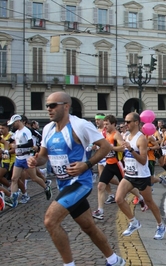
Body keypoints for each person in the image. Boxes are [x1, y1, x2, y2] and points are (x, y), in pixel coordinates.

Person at [27, 91, 125, 266]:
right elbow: (43, 157)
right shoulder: (48, 129)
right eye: (47, 105)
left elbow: (105, 146)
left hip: (80, 183)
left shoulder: (80, 125)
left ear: (66, 106)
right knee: (88, 227)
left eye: (52, 105)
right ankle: (114, 260)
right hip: (64, 184)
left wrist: (86, 164)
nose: (48, 109)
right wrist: (35, 161)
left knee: (50, 221)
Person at [116, 112, 166, 240]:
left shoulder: (141, 139)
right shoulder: (127, 136)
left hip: (142, 176)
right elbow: (124, 150)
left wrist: (131, 150)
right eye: (125, 121)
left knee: (149, 201)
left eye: (128, 122)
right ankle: (133, 222)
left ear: (136, 122)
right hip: (129, 174)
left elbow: (143, 161)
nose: (125, 124)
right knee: (118, 199)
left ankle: (160, 226)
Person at [7, 114, 52, 208]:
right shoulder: (17, 132)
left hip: (27, 157)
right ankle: (13, 198)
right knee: (14, 179)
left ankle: (46, 187)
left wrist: (18, 146)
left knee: (34, 178)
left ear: (17, 121)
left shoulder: (26, 131)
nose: (12, 126)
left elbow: (30, 143)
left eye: (13, 124)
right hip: (19, 158)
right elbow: (9, 140)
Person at [92, 115, 126, 220]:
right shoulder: (106, 134)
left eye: (107, 124)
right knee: (100, 186)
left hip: (118, 164)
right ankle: (100, 211)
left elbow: (123, 148)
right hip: (108, 163)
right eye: (105, 124)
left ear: (114, 124)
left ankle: (141, 198)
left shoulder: (116, 135)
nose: (105, 126)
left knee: (129, 186)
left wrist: (111, 147)